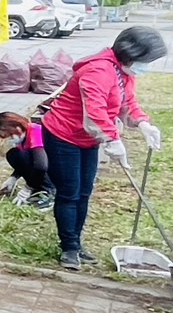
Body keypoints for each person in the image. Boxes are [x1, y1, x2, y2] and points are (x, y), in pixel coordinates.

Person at [41, 25, 166, 271]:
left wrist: (143, 123)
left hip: (88, 139)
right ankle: (69, 247)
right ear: (131, 52)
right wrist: (113, 140)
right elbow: (95, 113)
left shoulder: (123, 70)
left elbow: (127, 101)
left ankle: (76, 242)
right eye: (146, 60)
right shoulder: (98, 70)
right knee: (70, 192)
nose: (147, 66)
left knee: (85, 191)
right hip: (63, 135)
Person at [0, 111, 52, 209]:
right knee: (13, 154)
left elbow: (41, 166)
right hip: (43, 168)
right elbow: (24, 164)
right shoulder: (23, 139)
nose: (9, 139)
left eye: (8, 135)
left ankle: (49, 193)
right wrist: (13, 178)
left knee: (22, 155)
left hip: (55, 169)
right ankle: (38, 188)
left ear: (15, 127)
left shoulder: (35, 131)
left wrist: (28, 187)